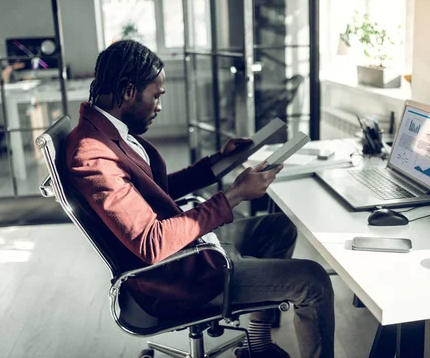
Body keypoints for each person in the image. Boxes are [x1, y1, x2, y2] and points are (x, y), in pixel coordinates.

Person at [65, 40, 335, 358]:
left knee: (280, 227)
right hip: (176, 279)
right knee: (313, 281)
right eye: (156, 96)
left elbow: (157, 191)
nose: (159, 106)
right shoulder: (92, 154)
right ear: (128, 91)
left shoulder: (108, 131)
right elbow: (152, 244)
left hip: (189, 254)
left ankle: (258, 345)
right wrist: (233, 195)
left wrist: (218, 163)